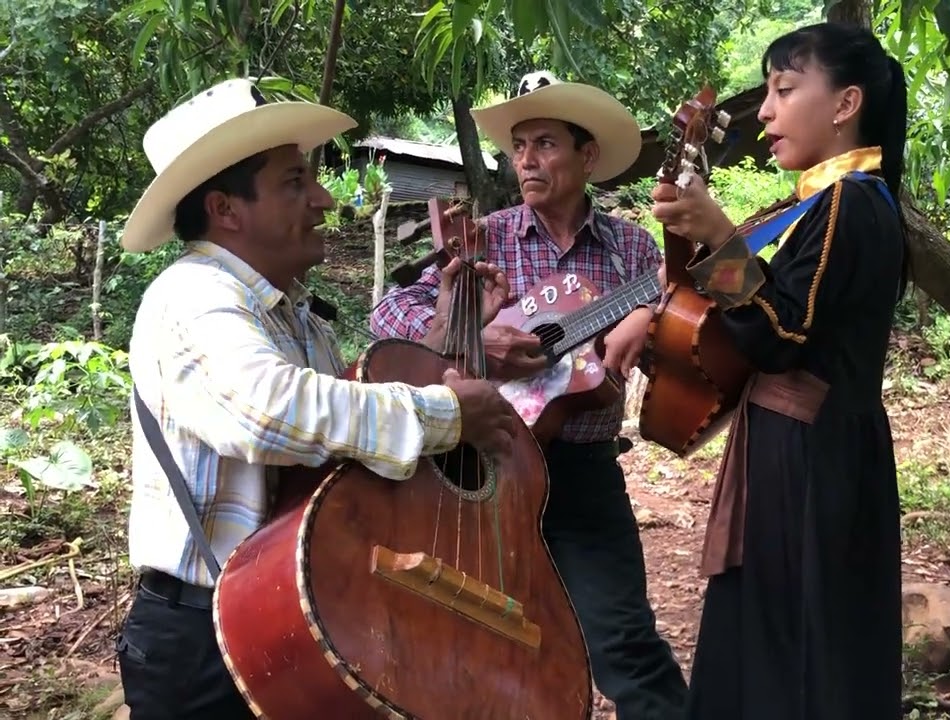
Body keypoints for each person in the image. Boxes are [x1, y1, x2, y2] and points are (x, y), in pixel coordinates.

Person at [115, 78, 517, 720]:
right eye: (295, 183)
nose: (324, 200)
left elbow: (340, 429)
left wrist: (447, 329)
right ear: (226, 209)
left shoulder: (299, 318)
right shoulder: (190, 296)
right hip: (206, 639)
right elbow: (269, 410)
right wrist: (447, 415)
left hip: (295, 615)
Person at [370, 71, 688, 719]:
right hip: (482, 478)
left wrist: (650, 317)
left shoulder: (632, 250)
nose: (526, 160)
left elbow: (680, 321)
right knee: (486, 647)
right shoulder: (484, 237)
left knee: (623, 642)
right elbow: (390, 314)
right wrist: (476, 339)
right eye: (518, 147)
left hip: (583, 475)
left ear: (586, 156)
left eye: (544, 144)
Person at [649, 23, 909, 719]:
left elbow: (780, 334)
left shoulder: (850, 203)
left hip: (808, 458)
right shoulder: (816, 203)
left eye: (784, 90)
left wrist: (718, 236)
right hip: (799, 447)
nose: (764, 111)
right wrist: (697, 238)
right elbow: (741, 307)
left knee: (796, 640)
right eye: (767, 92)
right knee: (785, 631)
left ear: (845, 103)